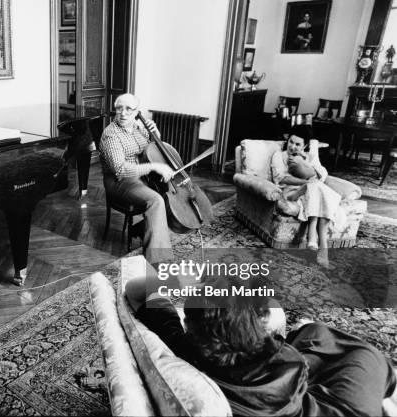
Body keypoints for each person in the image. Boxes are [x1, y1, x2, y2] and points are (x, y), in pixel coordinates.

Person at [125, 265, 397, 416]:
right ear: (257, 327)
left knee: (311, 334)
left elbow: (134, 290)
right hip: (339, 410)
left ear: (189, 324)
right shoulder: (288, 362)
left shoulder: (182, 347)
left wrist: (174, 279)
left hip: (279, 391)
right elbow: (284, 340)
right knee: (354, 351)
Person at [98, 93, 175, 266]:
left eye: (128, 109)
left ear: (137, 112)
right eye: (119, 109)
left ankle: (141, 230)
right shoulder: (111, 135)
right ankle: (158, 262)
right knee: (156, 200)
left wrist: (156, 134)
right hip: (120, 182)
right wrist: (154, 167)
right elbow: (121, 169)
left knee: (168, 195)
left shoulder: (139, 128)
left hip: (140, 177)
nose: (123, 113)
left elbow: (151, 149)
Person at [271, 125, 344, 261]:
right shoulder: (279, 155)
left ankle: (319, 243)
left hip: (309, 192)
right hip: (290, 191)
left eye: (297, 144)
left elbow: (322, 173)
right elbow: (281, 178)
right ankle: (320, 243)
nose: (292, 146)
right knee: (316, 188)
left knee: (316, 189)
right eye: (291, 142)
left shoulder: (307, 157)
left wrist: (306, 163)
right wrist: (306, 183)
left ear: (304, 146)